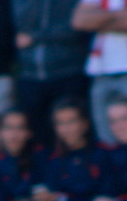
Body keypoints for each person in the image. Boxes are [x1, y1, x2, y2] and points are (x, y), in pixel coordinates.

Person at [71, 0, 127, 143]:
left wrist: (98, 20)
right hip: (101, 70)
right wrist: (121, 14)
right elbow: (79, 21)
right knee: (106, 140)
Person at [11, 0, 89, 148]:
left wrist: (36, 37)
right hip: (30, 75)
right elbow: (17, 28)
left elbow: (76, 27)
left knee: (74, 132)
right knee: (38, 137)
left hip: (67, 73)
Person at [32, 97, 107, 201]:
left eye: (71, 122)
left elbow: (106, 197)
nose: (66, 129)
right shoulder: (54, 160)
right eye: (61, 123)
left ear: (84, 124)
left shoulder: (101, 154)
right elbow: (53, 195)